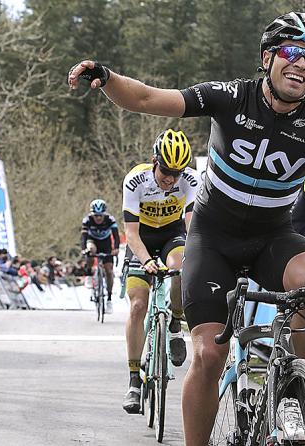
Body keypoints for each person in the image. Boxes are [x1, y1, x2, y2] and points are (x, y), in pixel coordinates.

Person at [68, 11, 305, 445]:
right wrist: (107, 76)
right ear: (268, 57)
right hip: (212, 239)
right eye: (293, 52)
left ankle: (289, 390)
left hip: (272, 237)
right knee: (210, 352)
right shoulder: (231, 96)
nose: (302, 65)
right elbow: (146, 99)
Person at [121, 128, 198, 414]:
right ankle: (133, 381)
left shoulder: (189, 180)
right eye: (166, 170)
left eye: (177, 173)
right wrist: (144, 261)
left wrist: (197, 257)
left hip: (171, 236)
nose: (171, 178)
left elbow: (192, 228)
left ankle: (175, 324)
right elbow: (130, 233)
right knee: (138, 305)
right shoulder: (135, 180)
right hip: (141, 238)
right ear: (155, 161)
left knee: (180, 266)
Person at [81, 199, 120, 313]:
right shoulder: (87, 220)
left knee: (109, 270)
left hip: (106, 243)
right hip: (92, 241)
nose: (98, 218)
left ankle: (109, 298)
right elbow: (83, 237)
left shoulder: (110, 219)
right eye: (96, 216)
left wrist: (116, 248)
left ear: (104, 214)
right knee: (91, 249)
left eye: (100, 216)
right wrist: (84, 249)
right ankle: (89, 273)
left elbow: (116, 236)